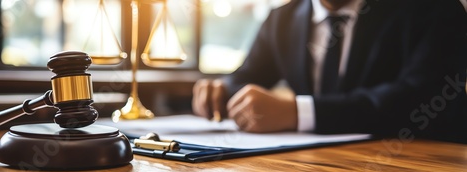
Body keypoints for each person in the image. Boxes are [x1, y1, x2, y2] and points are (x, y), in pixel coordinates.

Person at [192, 0, 467, 143]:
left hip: (418, 168)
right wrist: (223, 90)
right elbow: (247, 76)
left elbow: (418, 99)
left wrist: (296, 113)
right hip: (315, 171)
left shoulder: (432, 9)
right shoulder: (282, 19)